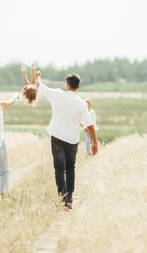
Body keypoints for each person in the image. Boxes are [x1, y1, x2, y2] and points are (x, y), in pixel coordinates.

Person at [35, 70, 98, 210]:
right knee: (70, 167)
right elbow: (89, 126)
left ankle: (62, 196)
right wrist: (95, 142)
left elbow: (40, 86)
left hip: (57, 136)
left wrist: (38, 76)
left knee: (59, 168)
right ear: (78, 87)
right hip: (72, 139)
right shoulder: (81, 104)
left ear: (67, 85)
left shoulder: (57, 94)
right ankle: (69, 197)